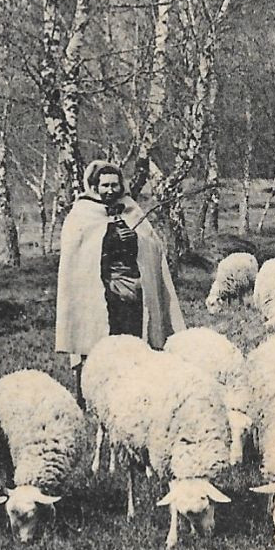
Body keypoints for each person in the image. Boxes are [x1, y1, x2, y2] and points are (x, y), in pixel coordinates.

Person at [55, 160, 187, 403]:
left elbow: (153, 247)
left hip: (132, 292)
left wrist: (134, 238)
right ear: (94, 186)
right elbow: (81, 256)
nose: (110, 191)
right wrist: (110, 238)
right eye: (105, 185)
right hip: (99, 293)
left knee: (133, 342)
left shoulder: (130, 209)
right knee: (94, 344)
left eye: (115, 185)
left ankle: (133, 392)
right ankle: (90, 395)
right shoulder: (82, 214)